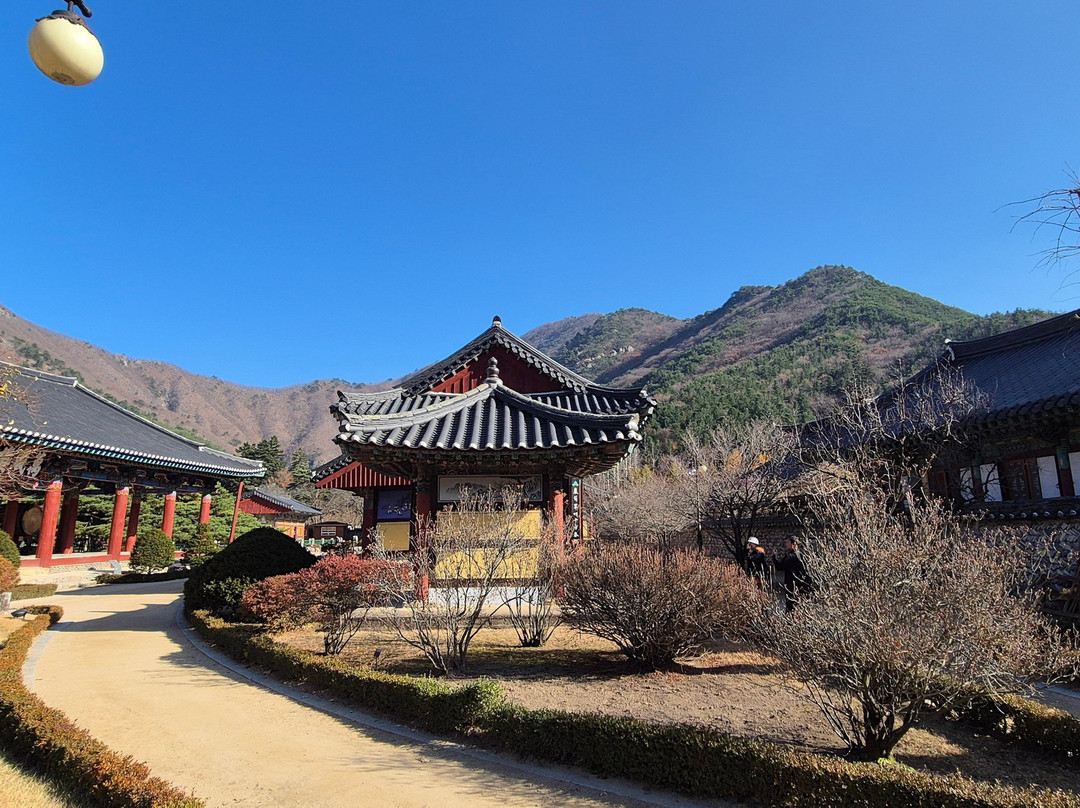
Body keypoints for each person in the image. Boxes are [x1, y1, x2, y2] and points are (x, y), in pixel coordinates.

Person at [772, 536, 811, 612]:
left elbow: (780, 566)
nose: (786, 544)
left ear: (793, 544)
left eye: (788, 542)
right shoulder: (800, 555)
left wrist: (774, 557)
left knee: (791, 605)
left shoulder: (791, 556)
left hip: (791, 584)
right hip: (799, 584)